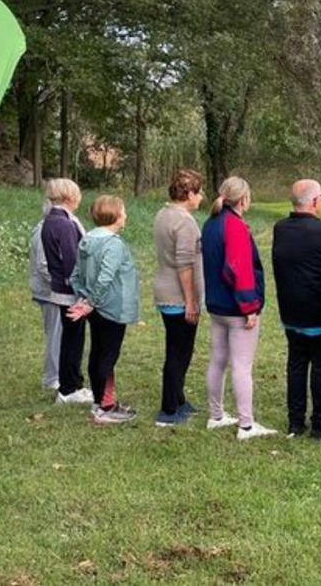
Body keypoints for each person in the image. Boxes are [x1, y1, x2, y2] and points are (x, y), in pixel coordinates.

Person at [271, 179, 321, 440]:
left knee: (296, 364)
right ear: (316, 201)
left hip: (291, 311)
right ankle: (320, 423)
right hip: (320, 312)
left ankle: (295, 421)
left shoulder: (280, 228)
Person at [201, 176, 277, 439]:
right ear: (244, 199)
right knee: (242, 365)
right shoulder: (234, 226)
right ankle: (246, 424)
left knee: (218, 359)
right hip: (235, 307)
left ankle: (216, 414)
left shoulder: (210, 224)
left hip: (216, 305)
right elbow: (238, 268)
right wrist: (250, 306)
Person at [67, 195, 141, 425]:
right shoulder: (113, 244)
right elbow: (105, 278)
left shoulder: (87, 239)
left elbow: (75, 276)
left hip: (96, 310)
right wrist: (89, 302)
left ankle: (100, 401)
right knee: (107, 356)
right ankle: (106, 407)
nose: (126, 215)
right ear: (115, 215)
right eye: (124, 211)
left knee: (98, 353)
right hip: (111, 309)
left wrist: (84, 299)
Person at [151, 169, 205, 427]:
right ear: (189, 194)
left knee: (179, 348)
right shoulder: (184, 222)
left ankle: (180, 399)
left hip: (165, 290)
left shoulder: (163, 214)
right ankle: (169, 410)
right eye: (199, 192)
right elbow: (185, 265)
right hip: (177, 295)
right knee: (178, 353)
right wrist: (191, 301)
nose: (202, 197)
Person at [39, 178, 93, 406]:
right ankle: (70, 387)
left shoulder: (51, 220)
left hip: (61, 288)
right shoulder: (63, 224)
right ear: (70, 196)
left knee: (71, 337)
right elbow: (72, 260)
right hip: (70, 290)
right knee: (73, 339)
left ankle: (72, 383)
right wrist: (83, 292)